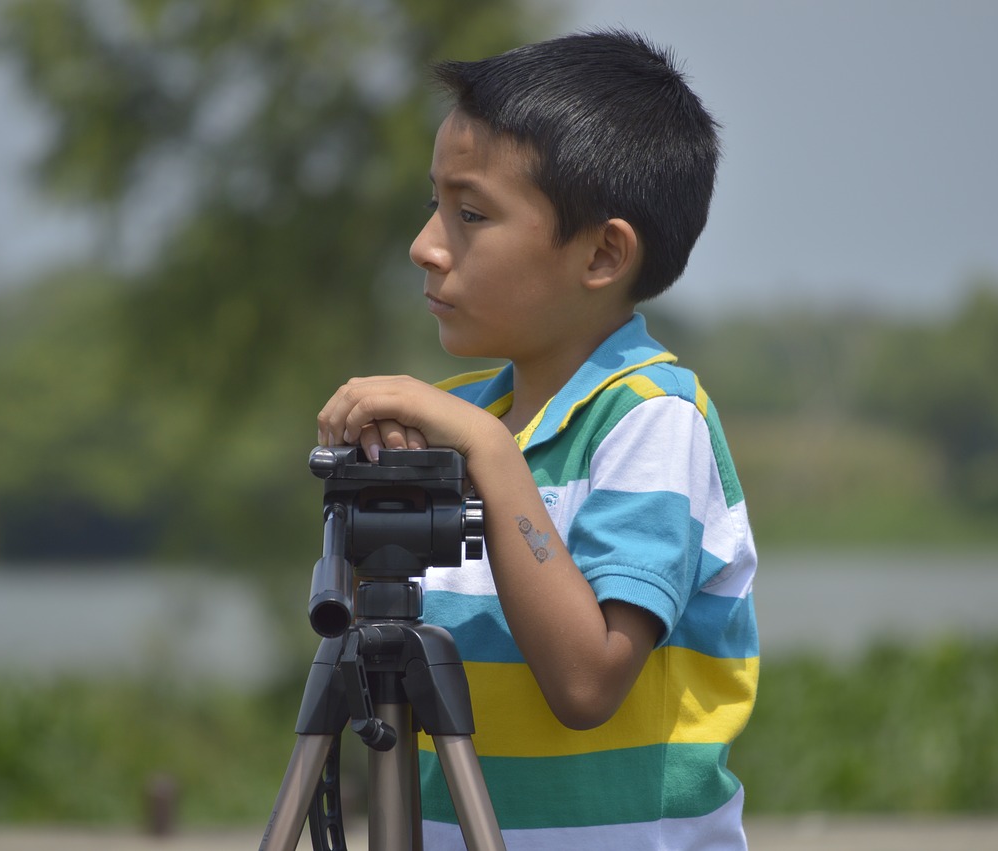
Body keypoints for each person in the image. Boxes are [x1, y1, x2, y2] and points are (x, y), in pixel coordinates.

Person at [315, 29, 758, 851]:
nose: (426, 244)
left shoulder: (653, 417)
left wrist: (489, 452)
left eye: (471, 214)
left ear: (602, 252)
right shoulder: (461, 421)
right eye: (434, 204)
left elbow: (587, 681)